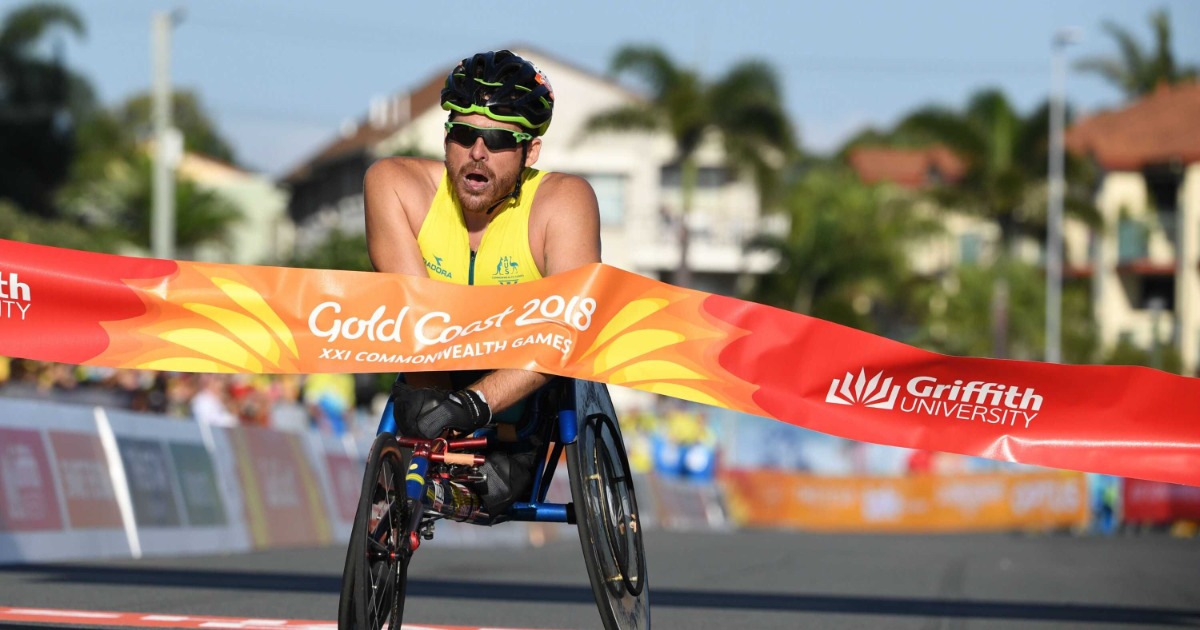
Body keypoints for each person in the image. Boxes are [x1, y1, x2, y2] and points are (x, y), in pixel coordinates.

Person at [364, 50, 601, 516]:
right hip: (431, 372)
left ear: (530, 151)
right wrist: (440, 406)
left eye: (498, 139)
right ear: (446, 137)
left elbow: (569, 331)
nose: (477, 152)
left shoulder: (563, 201)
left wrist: (474, 405)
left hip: (521, 395)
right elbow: (415, 315)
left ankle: (467, 480)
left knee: (498, 482)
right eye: (464, 134)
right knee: (417, 410)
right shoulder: (394, 184)